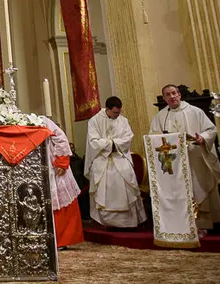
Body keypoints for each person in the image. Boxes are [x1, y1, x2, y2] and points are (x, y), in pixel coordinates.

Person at [149, 84, 220, 234]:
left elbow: (211, 130)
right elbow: (153, 137)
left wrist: (202, 138)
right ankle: (180, 226)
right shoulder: (160, 117)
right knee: (177, 191)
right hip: (174, 163)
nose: (172, 96)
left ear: (179, 95)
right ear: (164, 98)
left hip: (195, 158)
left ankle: (201, 225)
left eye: (174, 93)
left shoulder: (195, 112)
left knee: (198, 188)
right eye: (168, 94)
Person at [85, 97, 147, 228]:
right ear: (107, 109)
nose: (117, 115)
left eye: (118, 112)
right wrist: (111, 145)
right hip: (102, 159)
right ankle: (106, 222)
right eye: (114, 113)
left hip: (120, 157)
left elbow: (128, 137)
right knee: (105, 190)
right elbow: (93, 141)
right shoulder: (94, 121)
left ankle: (128, 221)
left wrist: (113, 144)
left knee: (127, 183)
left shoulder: (123, 121)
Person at [43, 117, 84, 248]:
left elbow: (60, 138)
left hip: (55, 166)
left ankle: (63, 241)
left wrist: (62, 161)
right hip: (42, 169)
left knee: (61, 202)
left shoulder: (41, 121)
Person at [68, 142, 90, 220]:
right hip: (71, 184)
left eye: (72, 148)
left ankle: (85, 216)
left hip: (81, 184)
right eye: (70, 148)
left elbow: (83, 171)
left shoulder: (79, 160)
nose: (71, 149)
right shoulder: (66, 161)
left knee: (83, 201)